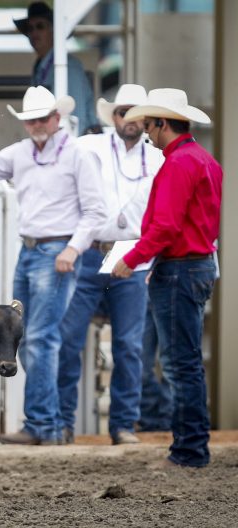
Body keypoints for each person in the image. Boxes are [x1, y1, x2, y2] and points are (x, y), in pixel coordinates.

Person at [0, 86, 106, 445]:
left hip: (55, 251)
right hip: (32, 252)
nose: (38, 125)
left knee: (39, 339)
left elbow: (95, 212)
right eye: (32, 120)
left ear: (57, 119)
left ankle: (42, 425)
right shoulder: (22, 153)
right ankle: (51, 424)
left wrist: (73, 250)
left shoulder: (76, 156)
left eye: (43, 118)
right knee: (30, 340)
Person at [113, 88, 221, 468]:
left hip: (180, 268)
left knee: (179, 365)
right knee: (185, 362)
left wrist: (133, 259)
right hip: (195, 264)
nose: (147, 133)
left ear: (162, 123)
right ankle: (191, 445)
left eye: (149, 126)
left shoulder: (178, 164)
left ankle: (189, 450)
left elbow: (166, 226)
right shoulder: (203, 160)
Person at [56, 84, 164, 445]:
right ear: (113, 117)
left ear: (144, 119)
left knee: (129, 345)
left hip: (133, 253)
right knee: (68, 339)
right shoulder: (89, 145)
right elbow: (58, 155)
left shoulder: (159, 158)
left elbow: (163, 213)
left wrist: (151, 261)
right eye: (121, 112)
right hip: (90, 250)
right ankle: (63, 422)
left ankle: (122, 425)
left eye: (135, 113)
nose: (127, 119)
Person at [14, 1, 100, 135]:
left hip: (77, 143)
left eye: (40, 26)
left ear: (54, 30)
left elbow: (75, 120)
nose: (34, 32)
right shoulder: (40, 65)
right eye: (30, 28)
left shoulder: (69, 67)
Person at [138, 301, 173, 432]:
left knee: (172, 368)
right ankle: (149, 421)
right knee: (141, 367)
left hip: (173, 295)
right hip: (143, 299)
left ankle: (169, 421)